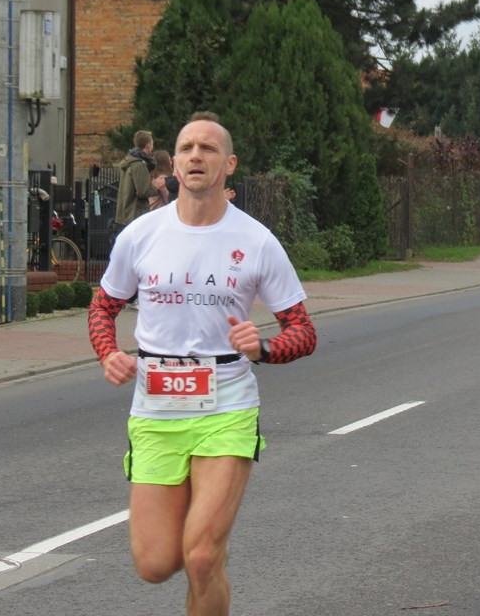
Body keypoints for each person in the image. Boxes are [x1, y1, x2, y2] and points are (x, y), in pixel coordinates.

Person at [88, 113, 317, 614]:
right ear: (174, 163)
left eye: (208, 148)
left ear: (228, 164)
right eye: (187, 147)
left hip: (227, 406)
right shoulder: (141, 235)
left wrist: (264, 348)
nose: (196, 155)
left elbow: (303, 330)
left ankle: (208, 556)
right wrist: (109, 353)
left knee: (199, 556)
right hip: (155, 411)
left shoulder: (256, 241)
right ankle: (207, 557)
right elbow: (103, 305)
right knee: (154, 564)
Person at [113, 130, 165, 241]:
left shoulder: (128, 161)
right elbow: (143, 192)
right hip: (135, 214)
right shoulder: (139, 164)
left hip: (125, 214)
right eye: (152, 143)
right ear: (148, 145)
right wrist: (156, 186)